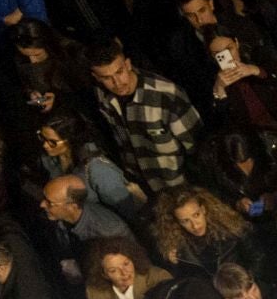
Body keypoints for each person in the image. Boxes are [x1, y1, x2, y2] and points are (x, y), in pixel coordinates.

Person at [87, 41, 203, 194]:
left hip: (177, 187)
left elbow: (198, 146)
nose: (117, 82)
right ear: (96, 77)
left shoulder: (166, 96)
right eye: (107, 78)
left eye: (119, 72)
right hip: (141, 184)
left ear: (128, 64)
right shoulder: (102, 95)